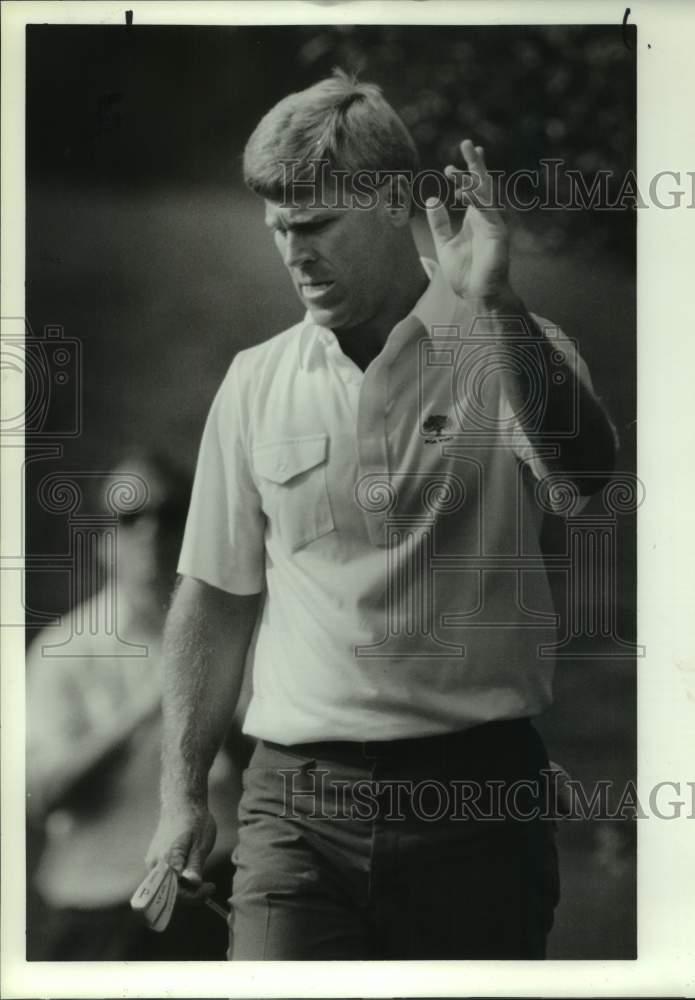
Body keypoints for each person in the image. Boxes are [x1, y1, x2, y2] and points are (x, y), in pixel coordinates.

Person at [145, 70, 617, 960]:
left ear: (395, 199)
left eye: (316, 223)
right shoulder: (255, 380)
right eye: (279, 228)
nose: (294, 253)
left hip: (479, 802)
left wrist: (502, 311)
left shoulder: (511, 345)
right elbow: (213, 600)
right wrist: (181, 797)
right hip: (292, 804)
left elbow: (584, 476)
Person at [26, 453, 245, 960]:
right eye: (128, 517)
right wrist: (158, 699)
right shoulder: (62, 652)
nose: (150, 532)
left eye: (168, 516)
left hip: (213, 888)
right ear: (103, 541)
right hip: (99, 908)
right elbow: (44, 797)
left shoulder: (239, 633)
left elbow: (265, 773)